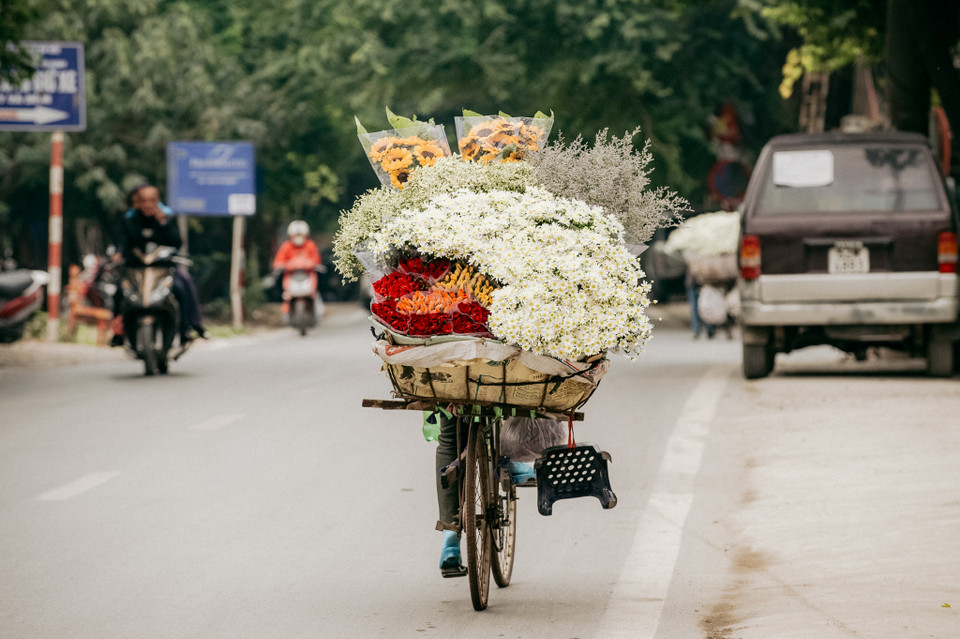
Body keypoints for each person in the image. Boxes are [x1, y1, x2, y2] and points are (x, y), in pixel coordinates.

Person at [110, 184, 207, 345]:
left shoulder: (167, 217)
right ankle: (118, 332)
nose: (148, 204)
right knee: (119, 292)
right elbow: (123, 242)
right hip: (137, 270)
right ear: (137, 202)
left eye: (151, 200)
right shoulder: (130, 219)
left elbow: (177, 242)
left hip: (164, 269)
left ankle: (186, 329)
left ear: (158, 200)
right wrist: (118, 254)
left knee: (182, 289)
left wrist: (162, 223)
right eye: (143, 201)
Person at [272, 220, 324, 323]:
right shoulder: (286, 246)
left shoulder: (310, 245)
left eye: (301, 235)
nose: (298, 238)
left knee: (315, 293)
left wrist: (312, 264)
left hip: (307, 276)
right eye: (296, 235)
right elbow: (278, 261)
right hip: (291, 276)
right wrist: (283, 266)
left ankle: (317, 311)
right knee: (286, 295)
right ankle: (286, 313)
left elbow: (317, 260)